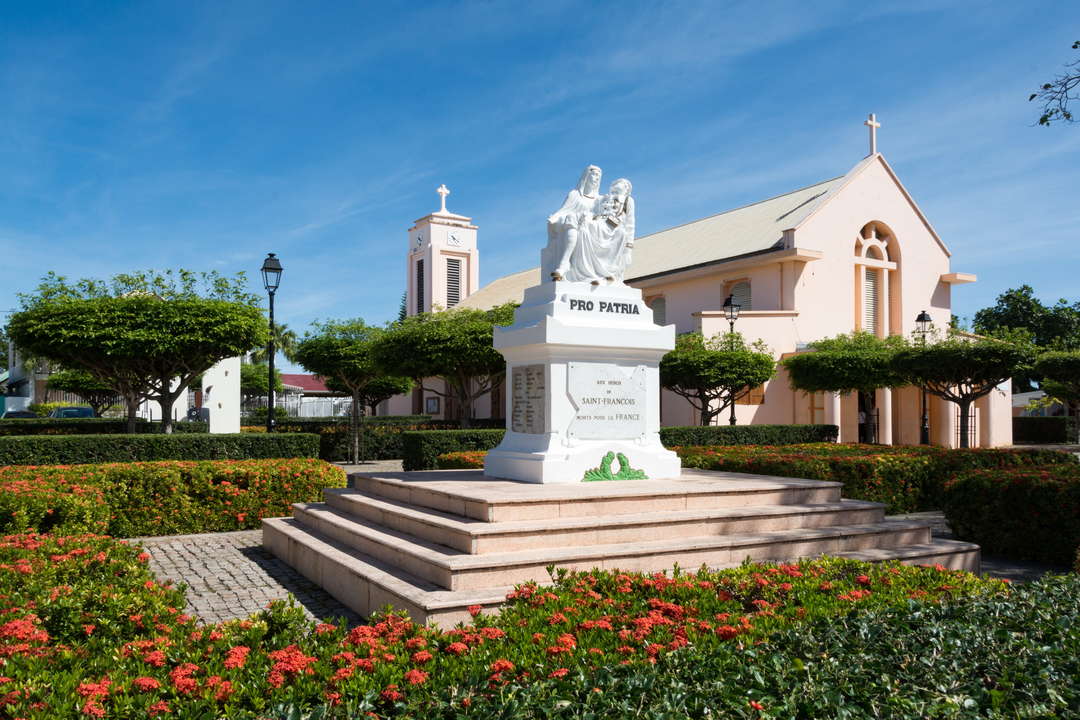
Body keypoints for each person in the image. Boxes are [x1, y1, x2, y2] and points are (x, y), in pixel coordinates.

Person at [558, 179, 635, 285]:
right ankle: (580, 272)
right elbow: (592, 213)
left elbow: (630, 225)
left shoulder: (628, 200)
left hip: (611, 228)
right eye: (618, 182)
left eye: (625, 184)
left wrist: (628, 250)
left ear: (627, 190)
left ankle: (565, 264)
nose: (621, 184)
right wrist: (585, 216)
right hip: (597, 224)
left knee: (576, 221)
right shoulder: (601, 199)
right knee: (581, 229)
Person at [546, 166, 602, 282]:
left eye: (599, 177)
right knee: (567, 220)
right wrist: (554, 218)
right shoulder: (574, 195)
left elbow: (602, 216)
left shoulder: (600, 199)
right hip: (575, 226)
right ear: (586, 176)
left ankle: (564, 263)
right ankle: (564, 264)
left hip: (592, 227)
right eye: (594, 175)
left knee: (574, 222)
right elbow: (563, 212)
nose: (597, 178)